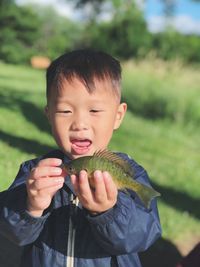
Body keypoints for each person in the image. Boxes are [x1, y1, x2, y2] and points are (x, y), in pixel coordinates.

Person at [0, 49, 161, 267]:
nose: (79, 123)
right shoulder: (35, 173)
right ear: (48, 114)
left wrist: (109, 213)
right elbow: (12, 232)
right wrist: (31, 206)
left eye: (94, 110)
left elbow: (143, 236)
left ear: (118, 116)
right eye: (65, 111)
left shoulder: (132, 172)